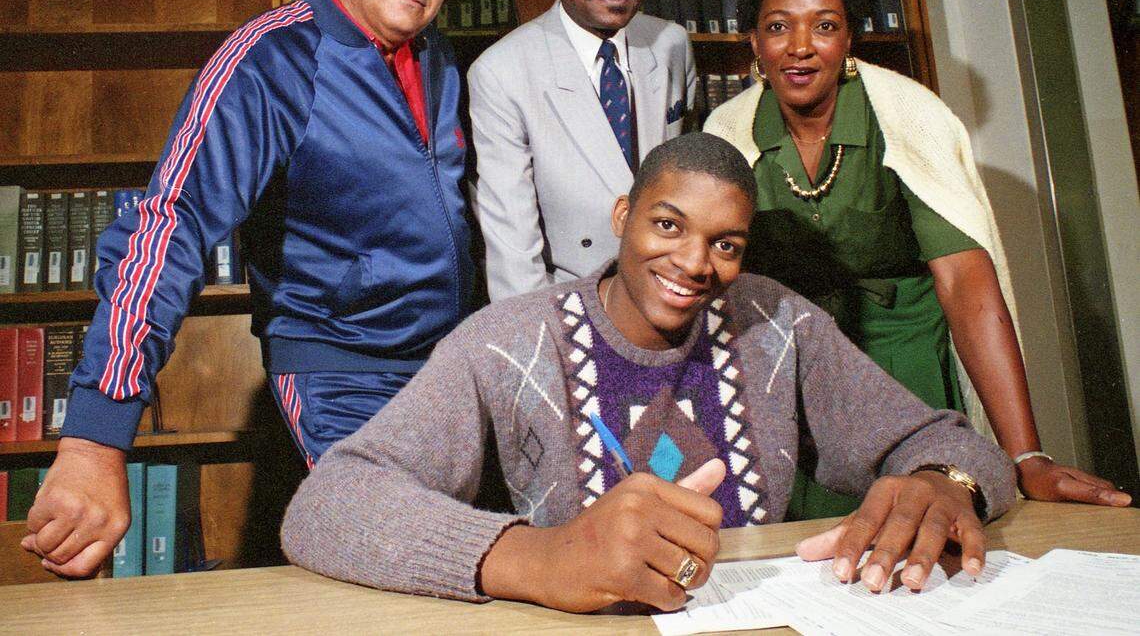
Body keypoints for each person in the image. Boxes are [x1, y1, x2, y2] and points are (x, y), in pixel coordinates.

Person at [281, 132, 1016, 612]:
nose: (694, 263)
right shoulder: (506, 342)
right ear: (621, 216)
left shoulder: (776, 323)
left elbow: (956, 445)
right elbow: (328, 504)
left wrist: (943, 482)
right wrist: (542, 559)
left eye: (725, 244)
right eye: (668, 225)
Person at [22, 0, 475, 578]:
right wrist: (94, 437)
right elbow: (168, 227)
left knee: (446, 572)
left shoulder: (437, 56)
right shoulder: (271, 58)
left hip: (446, 372)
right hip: (339, 371)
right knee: (401, 562)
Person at [704, 0, 1130, 519]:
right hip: (790, 371)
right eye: (779, 27)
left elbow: (965, 284)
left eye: (824, 25)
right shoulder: (727, 131)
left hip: (904, 360)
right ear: (754, 41)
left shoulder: (909, 117)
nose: (800, 47)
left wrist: (1027, 456)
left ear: (849, 40)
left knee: (921, 526)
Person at [469, 0, 697, 301]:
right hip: (571, 300)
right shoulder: (501, 71)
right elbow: (513, 250)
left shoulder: (671, 43)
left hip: (671, 290)